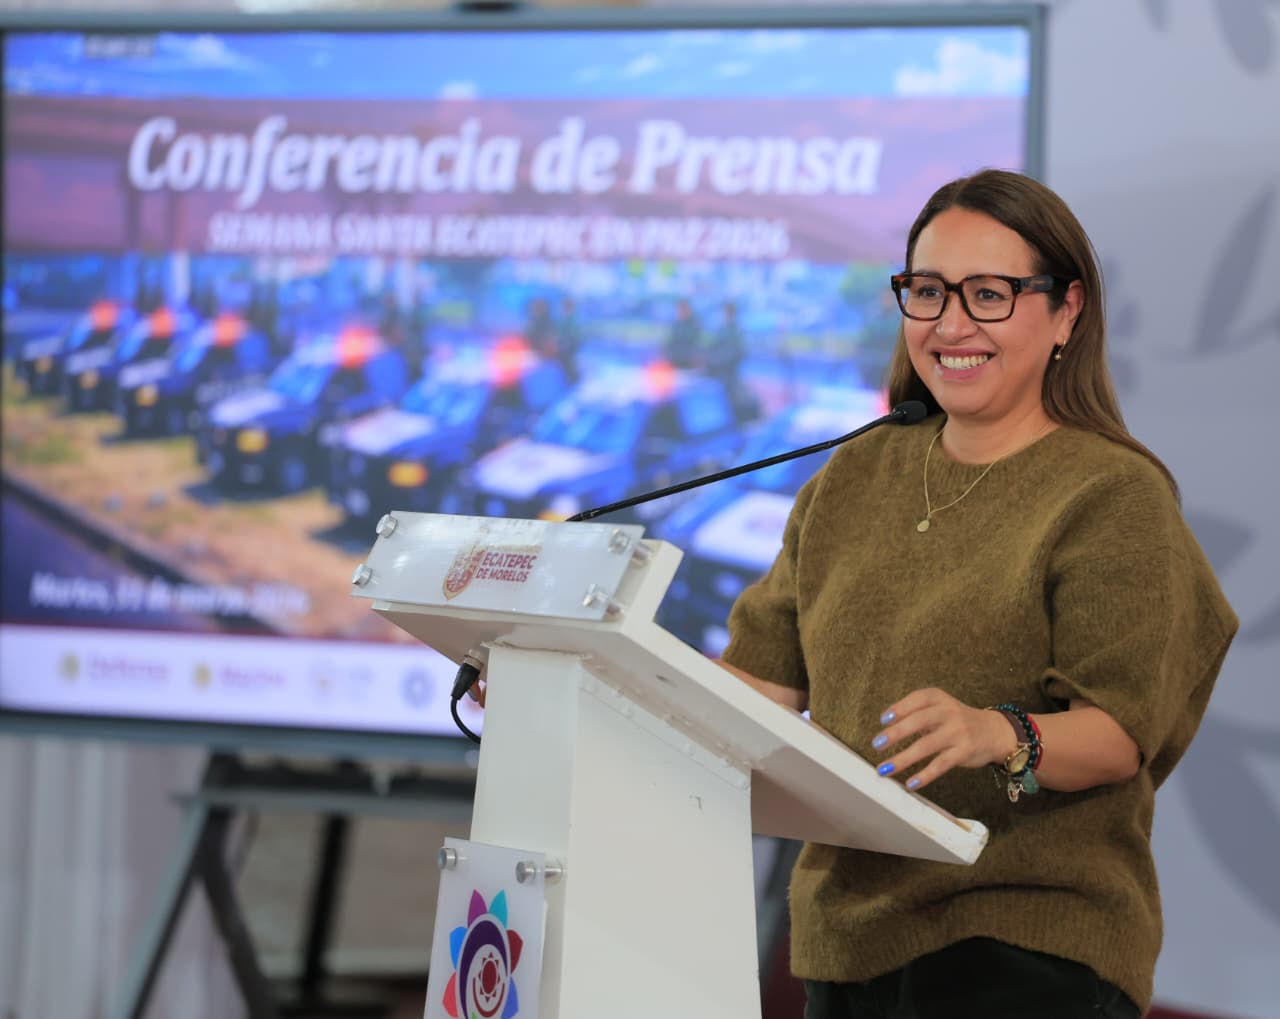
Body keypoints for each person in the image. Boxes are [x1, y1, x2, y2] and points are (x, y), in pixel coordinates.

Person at [715, 169, 1237, 1019]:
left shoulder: (1112, 494)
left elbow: (1119, 734)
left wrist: (998, 731)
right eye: (928, 291)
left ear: (1067, 312)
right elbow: (761, 685)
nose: (950, 324)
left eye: (988, 294)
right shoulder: (854, 473)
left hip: (1025, 942)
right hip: (847, 934)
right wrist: (584, 676)